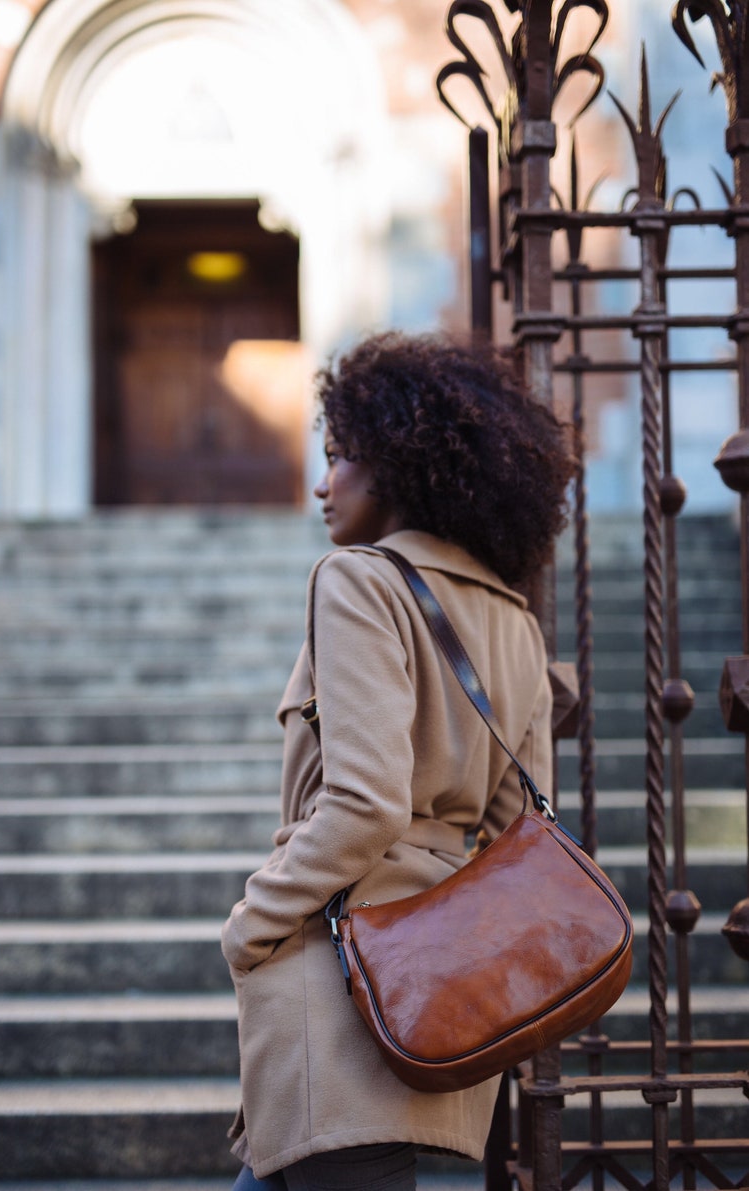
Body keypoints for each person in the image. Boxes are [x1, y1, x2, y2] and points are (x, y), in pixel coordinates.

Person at [220, 331, 575, 1190]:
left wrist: (251, 922)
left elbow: (364, 803)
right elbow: (515, 831)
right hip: (438, 979)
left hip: (342, 966)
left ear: (397, 464)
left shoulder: (359, 581)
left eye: (338, 456)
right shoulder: (514, 621)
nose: (320, 482)